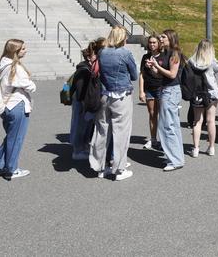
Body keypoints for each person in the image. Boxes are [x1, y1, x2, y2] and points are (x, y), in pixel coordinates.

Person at [89, 26, 137, 181]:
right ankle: (119, 168)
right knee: (121, 132)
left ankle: (99, 167)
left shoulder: (102, 52)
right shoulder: (125, 53)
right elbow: (134, 75)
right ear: (122, 38)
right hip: (121, 95)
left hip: (105, 94)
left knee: (102, 131)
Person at [0, 39, 36, 180]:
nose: (25, 50)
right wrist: (31, 84)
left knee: (11, 137)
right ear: (15, 51)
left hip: (6, 105)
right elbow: (31, 87)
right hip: (17, 105)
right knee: (16, 139)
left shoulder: (2, 64)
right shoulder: (15, 67)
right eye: (22, 49)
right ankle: (12, 169)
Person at [149, 29, 184, 172]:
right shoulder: (165, 53)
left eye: (163, 37)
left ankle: (175, 160)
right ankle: (176, 157)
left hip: (171, 91)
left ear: (170, 38)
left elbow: (172, 74)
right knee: (171, 125)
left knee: (168, 126)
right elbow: (161, 75)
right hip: (166, 90)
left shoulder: (174, 53)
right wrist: (153, 69)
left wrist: (157, 66)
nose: (160, 38)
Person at [69, 38, 104, 161]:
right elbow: (80, 91)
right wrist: (85, 105)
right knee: (80, 125)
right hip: (82, 102)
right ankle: (77, 150)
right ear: (90, 56)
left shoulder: (91, 68)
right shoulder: (83, 69)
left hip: (87, 102)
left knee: (88, 126)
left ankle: (83, 147)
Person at [188, 39, 218, 157]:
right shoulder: (212, 61)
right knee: (211, 121)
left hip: (197, 92)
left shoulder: (192, 61)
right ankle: (211, 147)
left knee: (197, 121)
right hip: (211, 92)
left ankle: (196, 148)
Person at [138, 35, 162, 150]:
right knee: (152, 114)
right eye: (150, 42)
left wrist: (155, 67)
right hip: (149, 89)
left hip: (162, 89)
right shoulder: (145, 57)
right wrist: (141, 91)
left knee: (163, 115)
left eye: (154, 42)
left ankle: (164, 140)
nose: (152, 44)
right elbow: (142, 74)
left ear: (159, 44)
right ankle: (153, 139)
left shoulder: (163, 56)